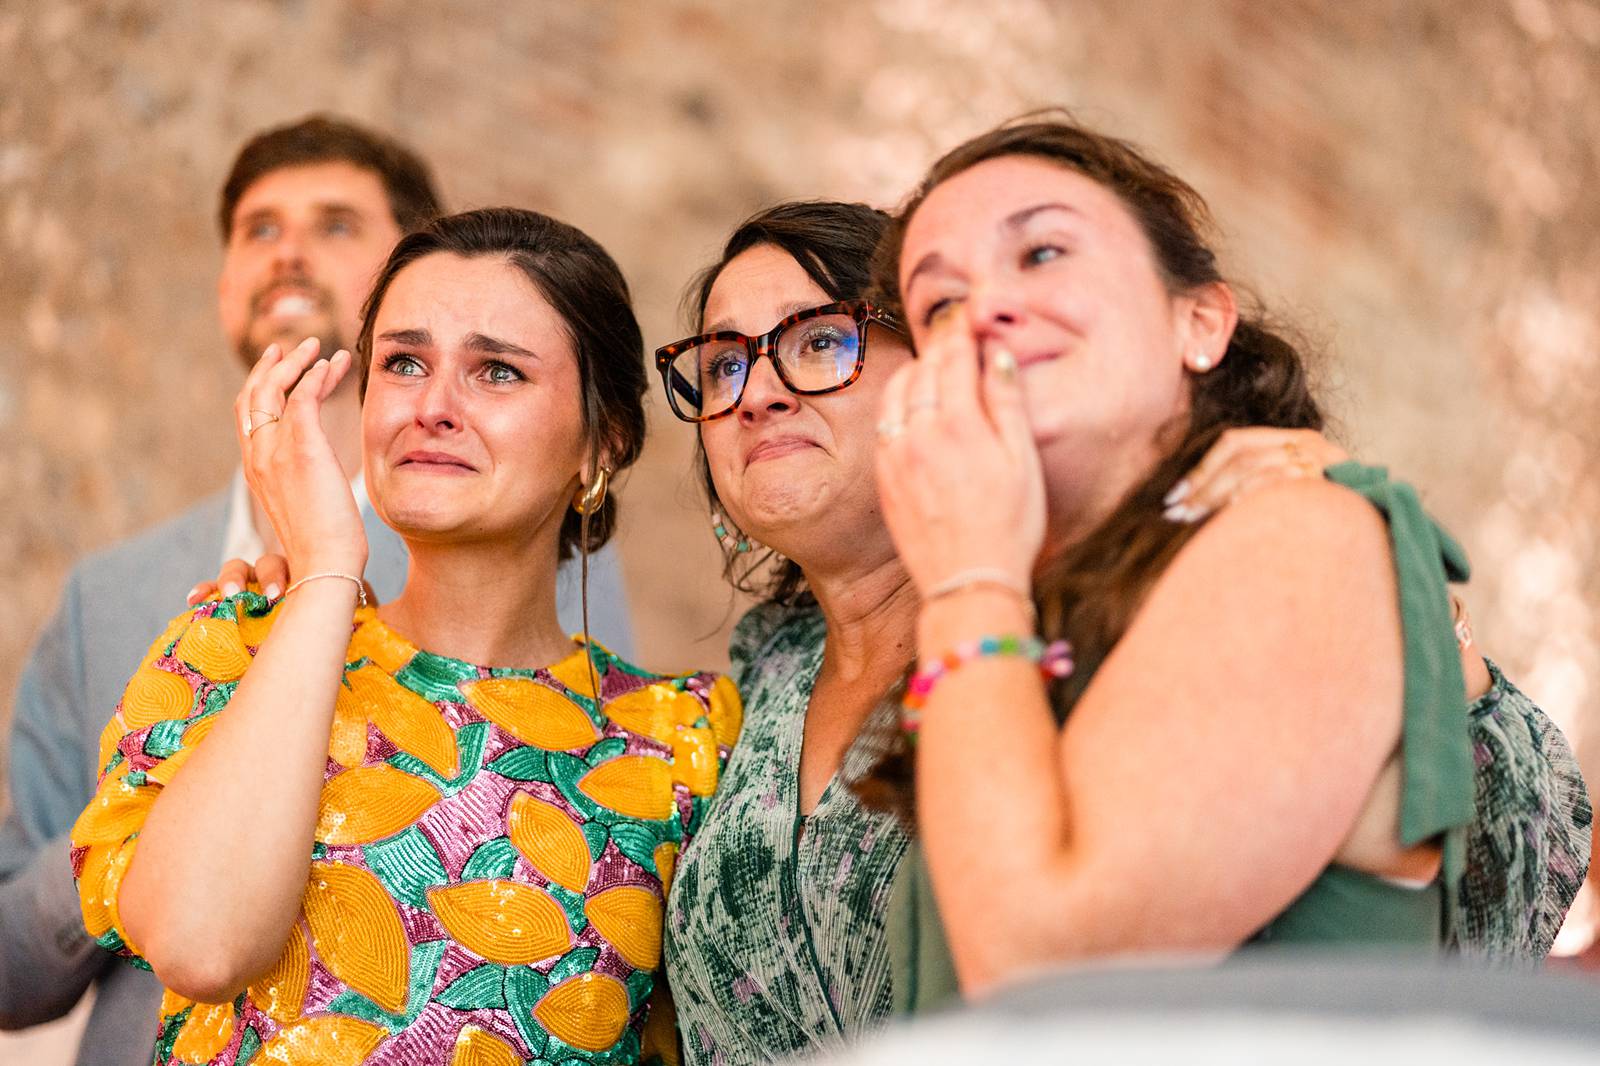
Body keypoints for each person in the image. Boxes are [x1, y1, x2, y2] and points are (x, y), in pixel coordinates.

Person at [658, 187, 1585, 1059]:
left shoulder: (1116, 619)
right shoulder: (757, 679)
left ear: (955, 373)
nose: (759, 391)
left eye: (819, 341)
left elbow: (1508, 834)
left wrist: (1395, 590)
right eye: (723, 363)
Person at [867, 115, 1587, 1006]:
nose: (986, 310)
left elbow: (1040, 988)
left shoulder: (1305, 534)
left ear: (1199, 322)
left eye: (1044, 253)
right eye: (940, 303)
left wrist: (967, 579)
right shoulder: (1032, 627)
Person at [68, 207, 720, 1064]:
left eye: (497, 372)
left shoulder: (681, 743)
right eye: (405, 363)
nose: (433, 407)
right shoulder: (237, 643)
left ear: (602, 443)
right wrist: (329, 562)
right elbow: (201, 945)